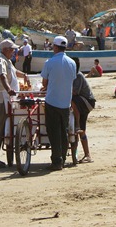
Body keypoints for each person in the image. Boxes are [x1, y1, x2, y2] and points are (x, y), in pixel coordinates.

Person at [0, 39, 29, 169]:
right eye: (12, 49)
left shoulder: (7, 60)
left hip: (9, 98)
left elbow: (14, 71)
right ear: (5, 50)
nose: (13, 51)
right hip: (1, 98)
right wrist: (8, 89)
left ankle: (0, 157)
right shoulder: (0, 61)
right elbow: (2, 76)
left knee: (8, 126)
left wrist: (24, 75)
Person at [41, 36, 76, 171]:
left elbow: (44, 83)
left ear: (55, 47)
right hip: (66, 102)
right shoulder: (72, 63)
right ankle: (62, 158)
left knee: (54, 131)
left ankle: (56, 161)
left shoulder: (49, 62)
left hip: (52, 101)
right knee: (63, 131)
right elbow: (71, 80)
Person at [70, 57, 96, 163]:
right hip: (81, 103)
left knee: (72, 99)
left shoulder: (78, 75)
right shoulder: (72, 75)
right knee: (82, 130)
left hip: (87, 102)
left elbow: (75, 92)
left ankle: (76, 122)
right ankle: (87, 154)